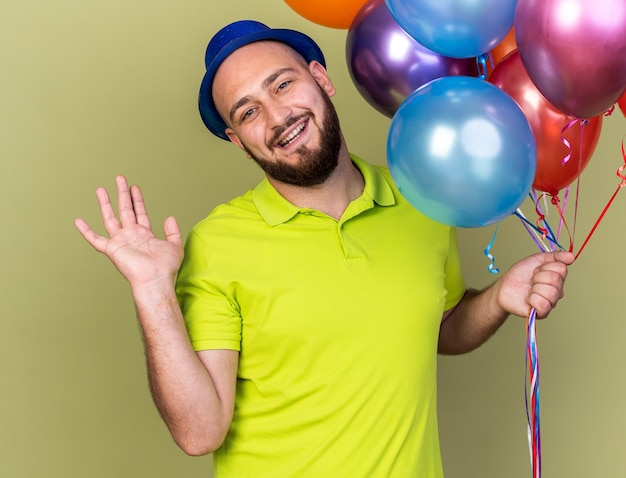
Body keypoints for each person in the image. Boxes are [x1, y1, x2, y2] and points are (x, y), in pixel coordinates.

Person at [75, 20, 574, 478]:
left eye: (283, 84)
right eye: (248, 111)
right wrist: (152, 292)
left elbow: (439, 325)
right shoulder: (216, 243)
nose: (277, 116)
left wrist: (499, 298)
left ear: (321, 78)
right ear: (237, 140)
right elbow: (200, 432)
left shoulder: (421, 199)